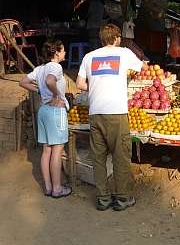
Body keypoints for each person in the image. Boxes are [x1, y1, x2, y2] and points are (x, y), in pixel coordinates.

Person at [76, 23, 143, 211]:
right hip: (117, 113)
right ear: (116, 38)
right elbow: (141, 68)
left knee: (98, 158)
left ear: (101, 39)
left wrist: (97, 86)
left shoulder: (89, 57)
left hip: (95, 113)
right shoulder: (124, 53)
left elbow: (80, 83)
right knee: (120, 156)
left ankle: (103, 199)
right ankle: (122, 199)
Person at [19, 38, 71, 198]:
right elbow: (50, 81)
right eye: (62, 50)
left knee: (47, 150)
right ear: (56, 53)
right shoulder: (55, 67)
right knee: (57, 149)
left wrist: (41, 92)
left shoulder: (40, 68)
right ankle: (57, 189)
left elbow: (23, 82)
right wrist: (56, 94)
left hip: (43, 111)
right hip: (56, 111)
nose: (65, 53)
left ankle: (48, 187)